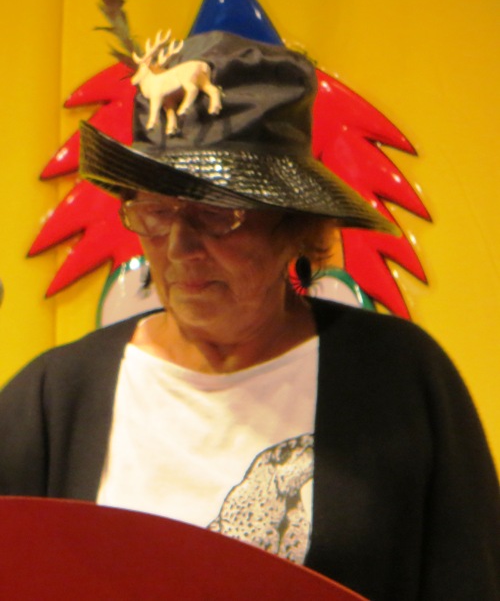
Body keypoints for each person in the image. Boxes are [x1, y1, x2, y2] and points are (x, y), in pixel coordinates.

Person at [1, 30, 498, 600]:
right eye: (156, 211)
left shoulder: (399, 379)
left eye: (218, 213)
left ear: (296, 227)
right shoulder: (56, 396)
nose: (180, 247)